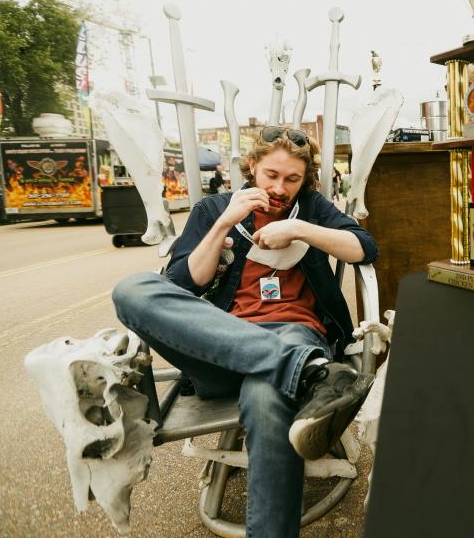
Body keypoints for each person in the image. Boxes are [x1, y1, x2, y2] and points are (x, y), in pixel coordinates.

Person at [111, 126, 378, 538]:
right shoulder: (214, 208)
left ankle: (294, 366)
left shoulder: (308, 208)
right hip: (221, 343)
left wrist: (300, 230)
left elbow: (364, 248)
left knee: (266, 391)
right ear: (252, 166)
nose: (279, 187)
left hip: (294, 332)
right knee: (131, 290)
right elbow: (185, 285)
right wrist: (222, 225)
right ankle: (309, 372)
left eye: (292, 179)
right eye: (271, 175)